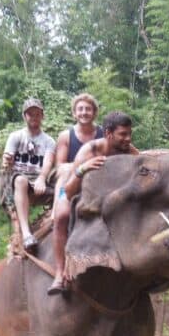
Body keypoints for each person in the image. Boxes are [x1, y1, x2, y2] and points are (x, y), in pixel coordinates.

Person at [48, 111, 139, 295]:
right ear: (108, 133)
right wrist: (83, 168)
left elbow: (145, 167)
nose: (127, 139)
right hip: (74, 189)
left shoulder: (129, 151)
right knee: (61, 216)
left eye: (129, 134)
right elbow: (70, 190)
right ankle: (59, 273)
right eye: (123, 134)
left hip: (106, 195)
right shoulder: (91, 150)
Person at [0, 98, 56, 252]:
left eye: (37, 114)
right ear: (25, 116)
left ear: (42, 116)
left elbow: (48, 162)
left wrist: (42, 179)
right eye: (30, 114)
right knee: (21, 181)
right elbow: (7, 159)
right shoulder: (16, 136)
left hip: (38, 179)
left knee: (62, 189)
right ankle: (26, 233)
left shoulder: (49, 141)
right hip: (17, 179)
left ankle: (53, 224)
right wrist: (8, 160)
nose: (34, 117)